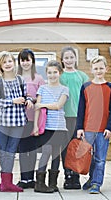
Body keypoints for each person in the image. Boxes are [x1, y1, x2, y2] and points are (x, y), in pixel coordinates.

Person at [0, 51, 33, 192]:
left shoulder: (20, 79)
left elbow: (25, 95)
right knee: (4, 151)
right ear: (0, 65)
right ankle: (5, 182)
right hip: (3, 121)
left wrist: (28, 100)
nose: (8, 64)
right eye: (4, 62)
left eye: (10, 61)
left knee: (11, 151)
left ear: (13, 63)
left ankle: (6, 182)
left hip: (18, 121)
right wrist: (12, 101)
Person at [76, 55, 111, 194]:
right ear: (91, 70)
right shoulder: (85, 87)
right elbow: (81, 109)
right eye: (96, 68)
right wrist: (79, 127)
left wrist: (109, 128)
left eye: (101, 68)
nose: (98, 70)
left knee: (100, 158)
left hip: (103, 130)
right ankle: (92, 178)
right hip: (88, 129)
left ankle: (96, 184)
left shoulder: (110, 87)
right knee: (89, 158)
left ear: (106, 69)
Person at [32, 60, 69, 193]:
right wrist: (35, 125)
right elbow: (37, 108)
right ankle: (40, 183)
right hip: (46, 127)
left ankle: (53, 184)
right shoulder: (42, 88)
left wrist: (42, 105)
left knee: (55, 155)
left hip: (59, 127)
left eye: (55, 72)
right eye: (49, 72)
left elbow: (58, 105)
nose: (52, 75)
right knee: (46, 152)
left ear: (60, 73)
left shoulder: (65, 89)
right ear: (46, 73)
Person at [60, 46, 89, 190]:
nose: (69, 60)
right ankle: (68, 176)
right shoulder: (60, 76)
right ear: (62, 60)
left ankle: (76, 175)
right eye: (66, 58)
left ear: (75, 59)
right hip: (63, 117)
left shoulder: (82, 76)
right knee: (65, 148)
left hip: (78, 118)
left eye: (71, 57)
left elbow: (89, 97)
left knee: (76, 148)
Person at [16, 49, 45, 189]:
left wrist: (32, 100)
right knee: (22, 149)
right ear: (19, 62)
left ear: (32, 61)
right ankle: (23, 178)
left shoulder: (39, 78)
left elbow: (42, 97)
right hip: (20, 119)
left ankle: (31, 179)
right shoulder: (16, 77)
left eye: (28, 60)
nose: (25, 63)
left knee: (32, 150)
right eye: (23, 60)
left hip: (34, 119)